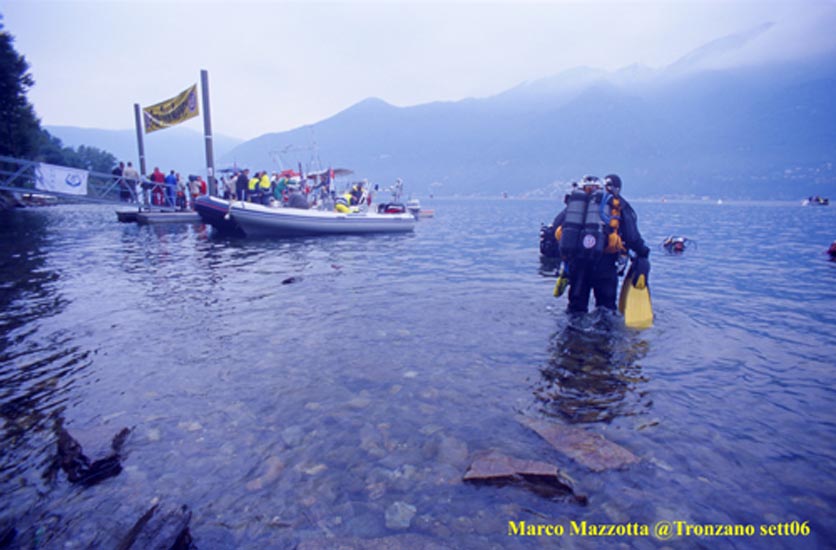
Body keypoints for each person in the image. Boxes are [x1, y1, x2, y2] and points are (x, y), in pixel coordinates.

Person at [546, 174, 650, 314]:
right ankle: (606, 334)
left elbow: (556, 228)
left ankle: (572, 335)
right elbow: (632, 237)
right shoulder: (615, 204)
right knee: (606, 309)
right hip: (605, 264)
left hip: (578, 263)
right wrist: (643, 252)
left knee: (575, 309)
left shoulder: (575, 207)